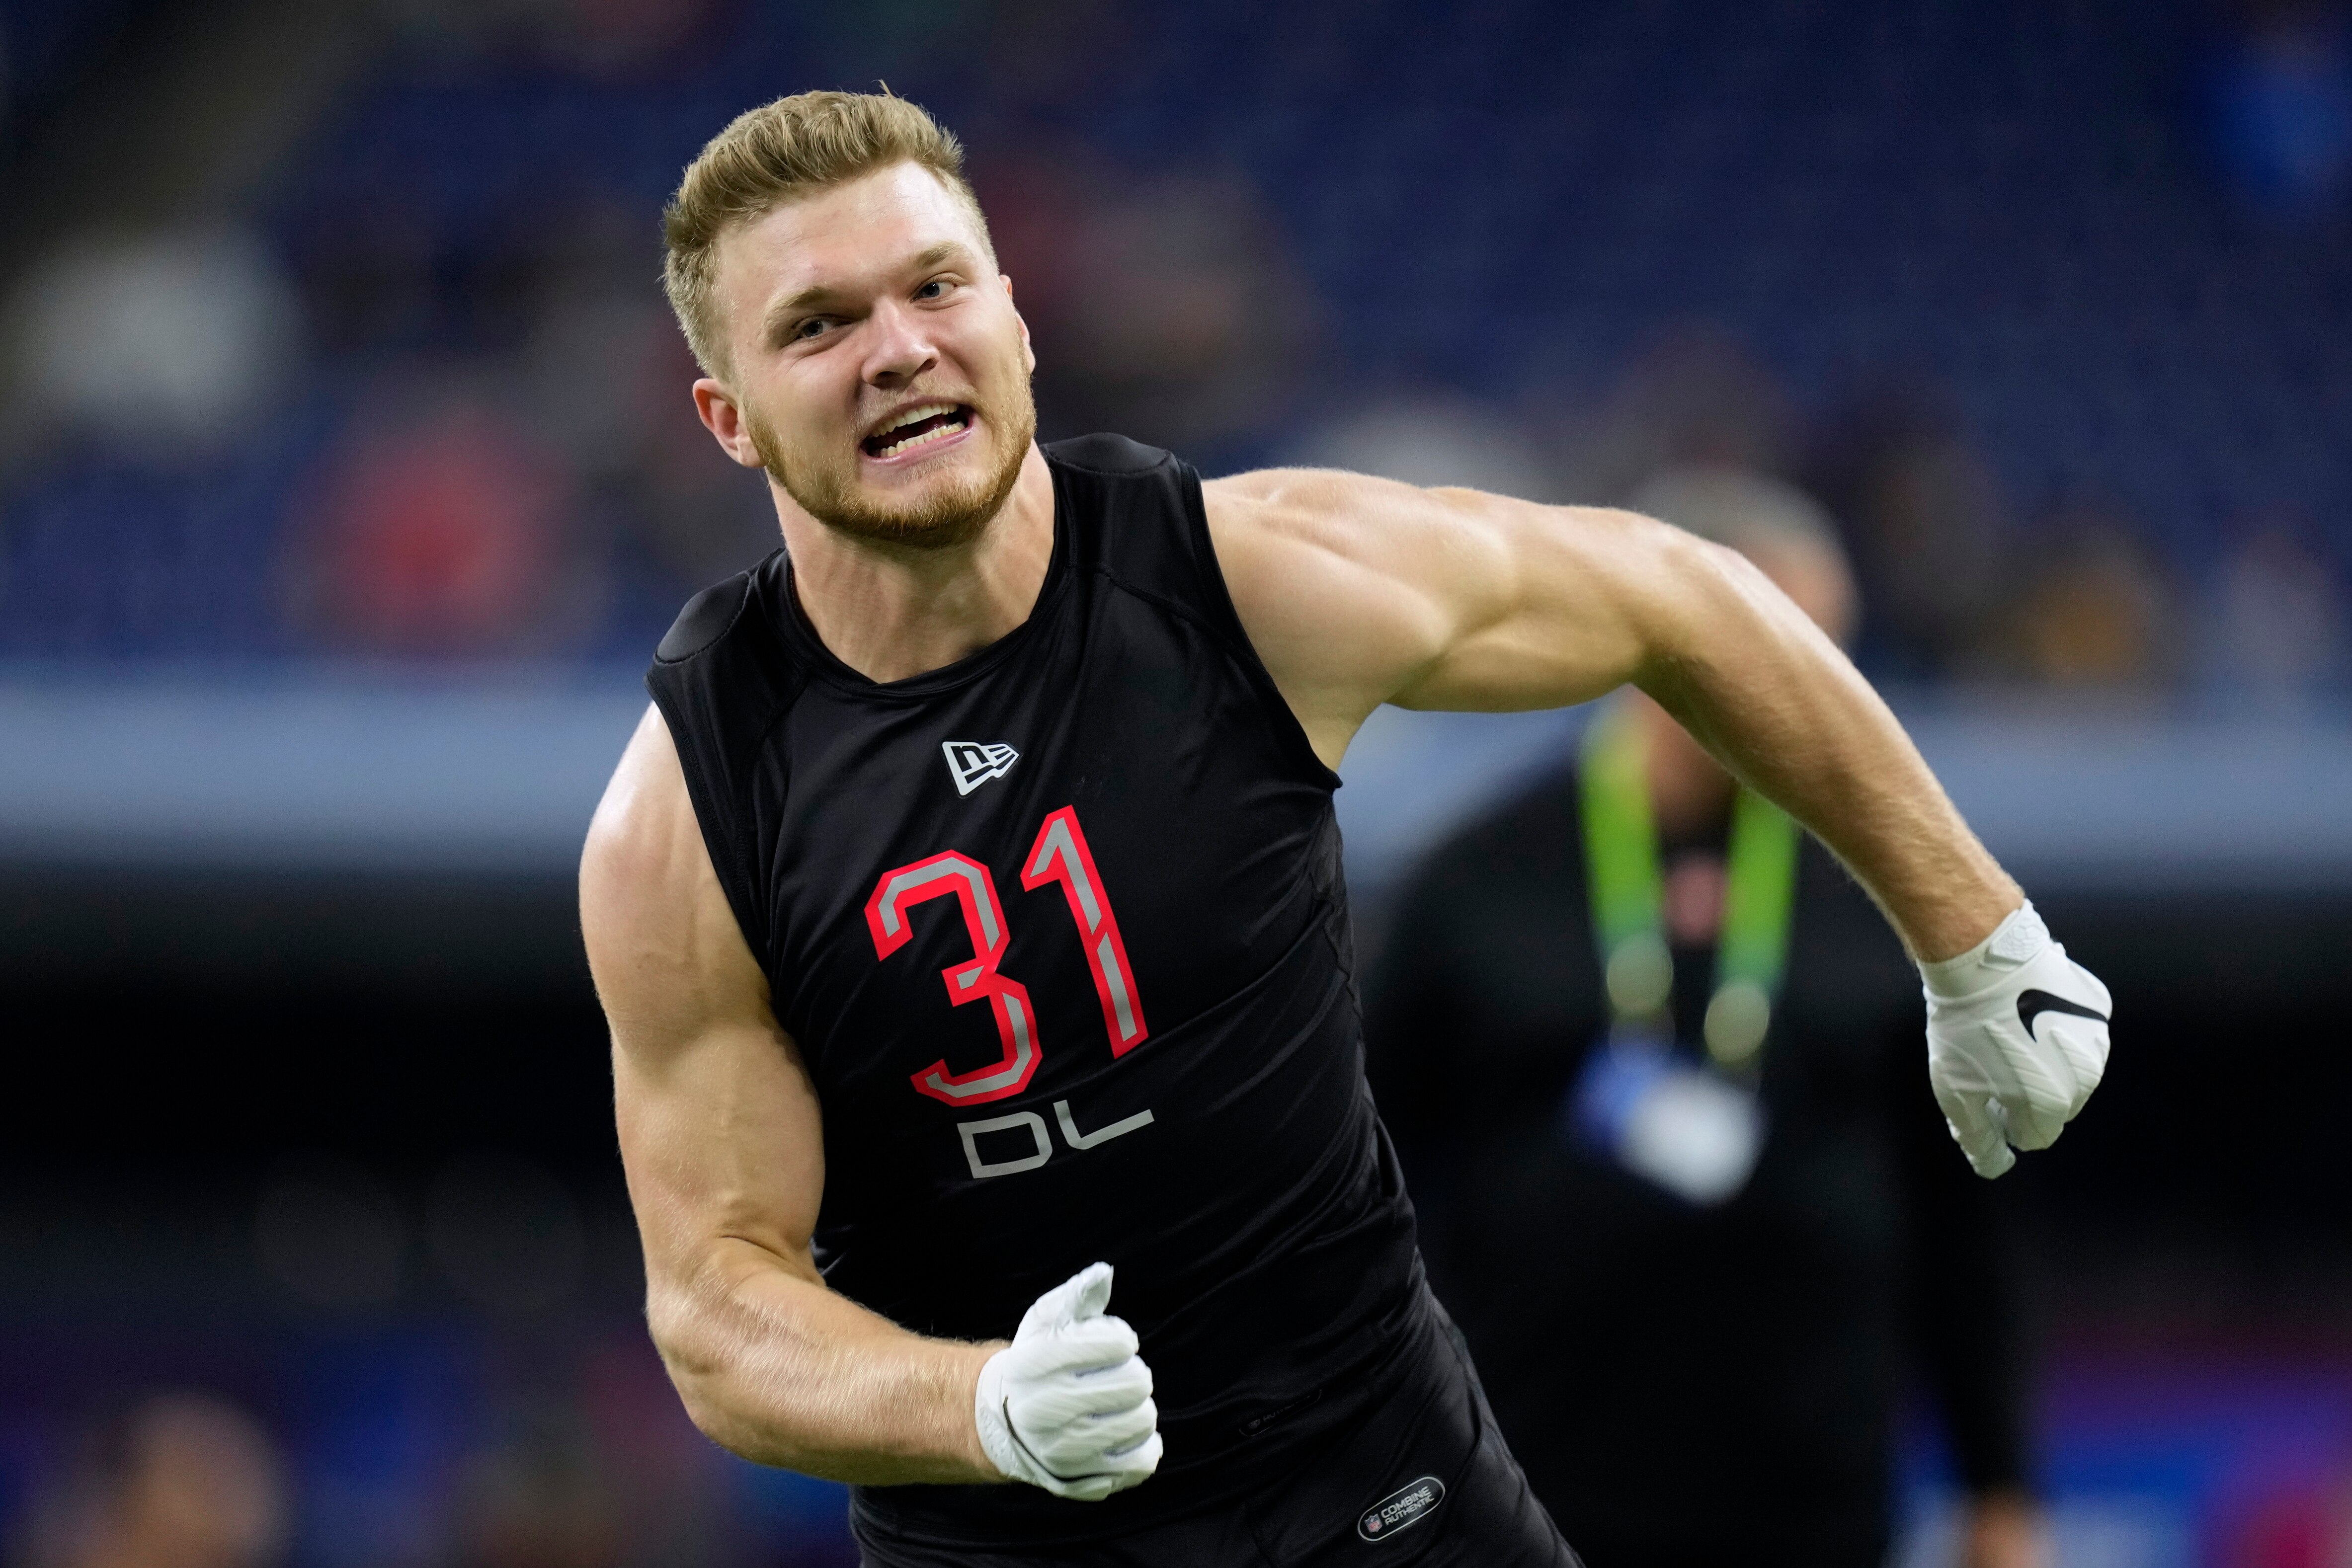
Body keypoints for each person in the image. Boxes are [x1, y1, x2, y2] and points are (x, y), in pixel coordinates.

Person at [576, 90, 2112, 1567]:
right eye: (818, 323)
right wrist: (973, 1403)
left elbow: (1681, 591)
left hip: (1389, 1495)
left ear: (1016, 316)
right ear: (726, 416)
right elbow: (714, 1301)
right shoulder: (693, 808)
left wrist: (1981, 939)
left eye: (934, 285)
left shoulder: (1240, 581)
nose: (898, 350)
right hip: (1005, 1541)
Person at [1365, 468, 2043, 1568]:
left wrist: (2001, 1482)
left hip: (1812, 1501)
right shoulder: (1480, 876)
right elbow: (1368, 1180)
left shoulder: (1888, 887)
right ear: (1654, 639)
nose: (1821, 706)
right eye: (1784, 660)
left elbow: (1960, 1215)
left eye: (1834, 663)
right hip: (1528, 1494)